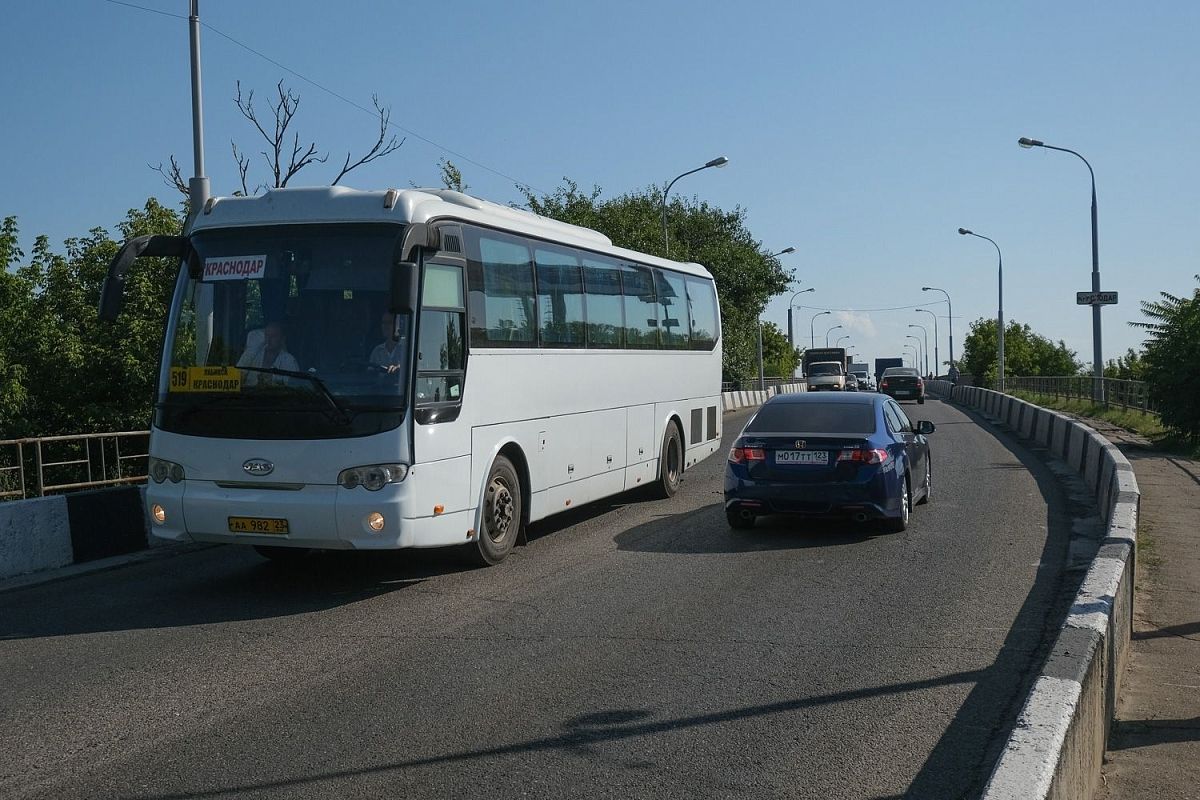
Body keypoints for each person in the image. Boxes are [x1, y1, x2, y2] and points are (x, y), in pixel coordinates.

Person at [236, 321, 299, 386]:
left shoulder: (290, 361)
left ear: (283, 339)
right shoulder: (252, 353)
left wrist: (274, 380)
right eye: (267, 335)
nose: (268, 340)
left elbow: (295, 386)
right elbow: (237, 375)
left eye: (273, 336)